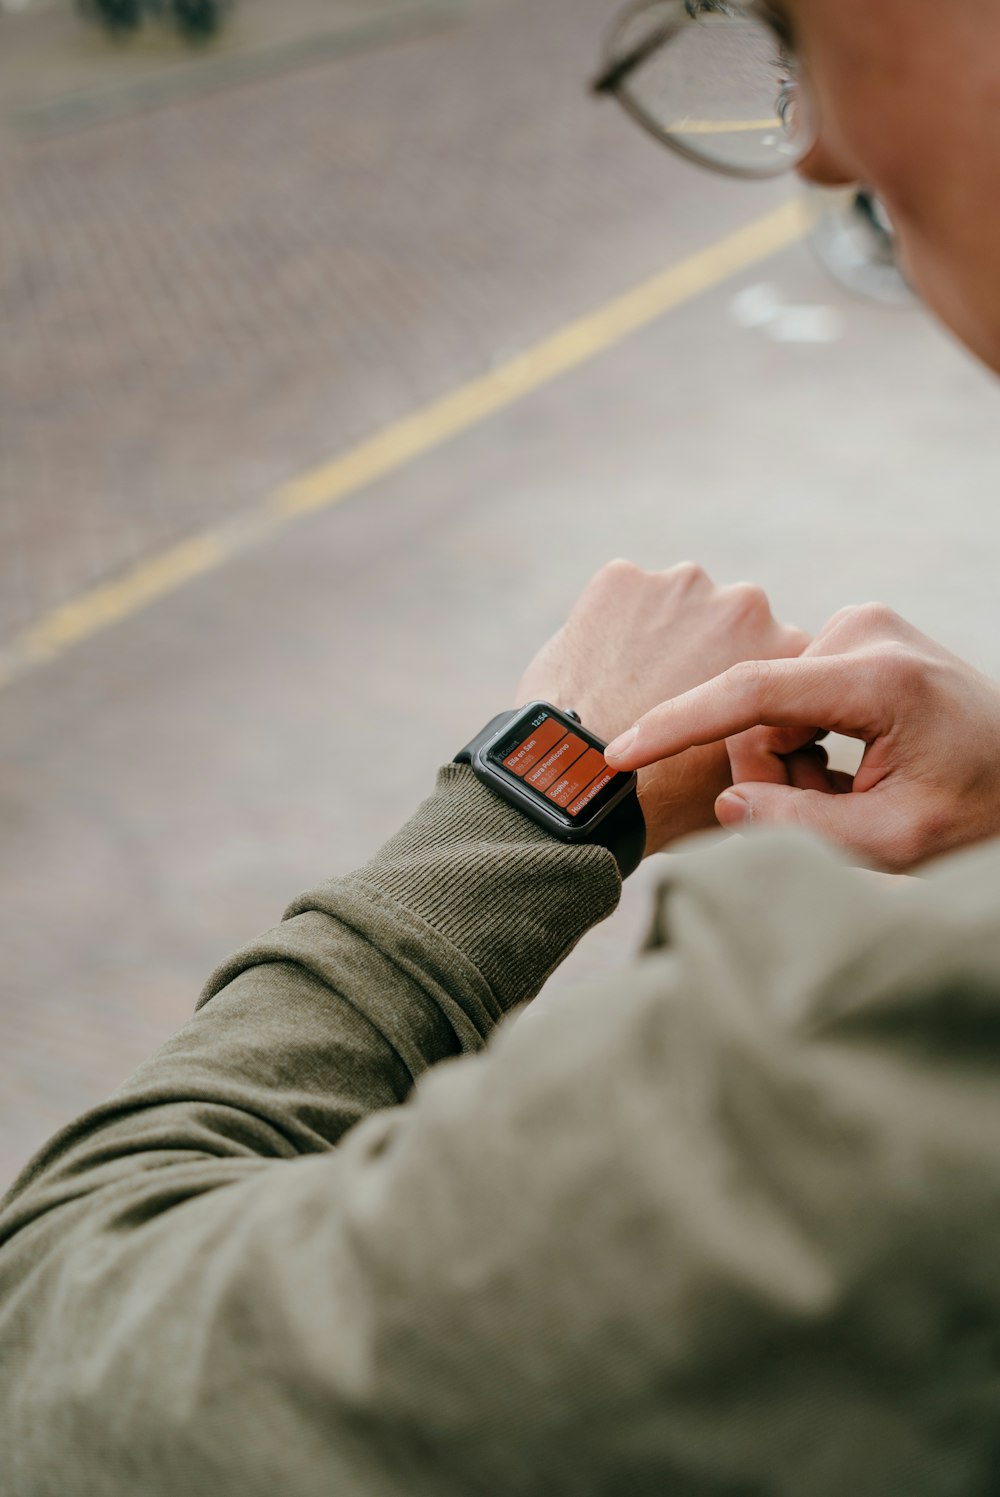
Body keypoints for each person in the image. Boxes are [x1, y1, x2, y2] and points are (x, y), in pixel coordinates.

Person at [4, 1, 1000, 1492]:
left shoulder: (874, 1054)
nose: (824, 152)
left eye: (804, 27)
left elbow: (70, 1342)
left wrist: (540, 791)